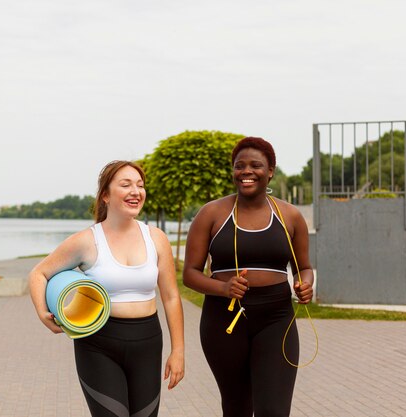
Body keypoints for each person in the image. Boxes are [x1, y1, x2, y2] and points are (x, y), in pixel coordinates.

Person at [29, 160, 185, 417]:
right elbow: (39, 273)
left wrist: (178, 351)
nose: (136, 191)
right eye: (126, 185)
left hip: (148, 342)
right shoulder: (86, 240)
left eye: (140, 185)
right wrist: (42, 312)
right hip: (98, 344)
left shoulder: (156, 238)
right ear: (105, 195)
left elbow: (170, 297)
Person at [183, 137, 314, 417]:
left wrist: (305, 284)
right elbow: (190, 275)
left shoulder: (290, 216)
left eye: (256, 165)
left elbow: (304, 267)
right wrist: (223, 287)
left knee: (274, 410)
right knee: (237, 407)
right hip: (224, 320)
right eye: (239, 166)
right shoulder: (211, 214)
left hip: (276, 318)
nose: (246, 171)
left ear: (270, 171)